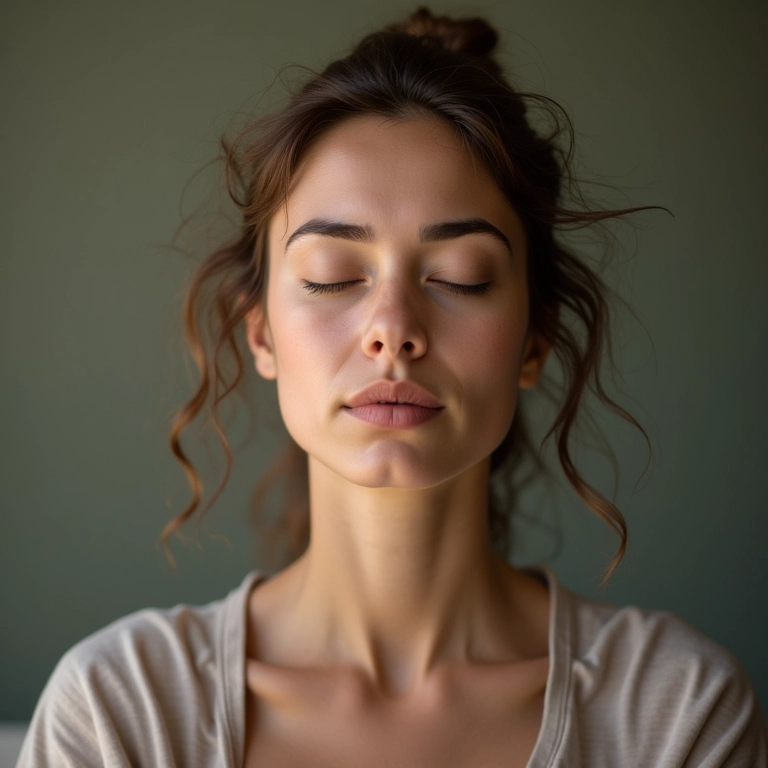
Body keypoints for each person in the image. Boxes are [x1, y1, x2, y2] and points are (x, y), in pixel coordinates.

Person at [16, 6, 767, 767]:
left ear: (534, 340)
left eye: (461, 277)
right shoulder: (123, 711)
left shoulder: (676, 714)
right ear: (262, 332)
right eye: (333, 277)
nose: (392, 328)